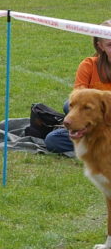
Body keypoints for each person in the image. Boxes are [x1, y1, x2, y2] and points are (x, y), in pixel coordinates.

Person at [45, 20, 111, 154]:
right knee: (53, 139)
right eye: (110, 45)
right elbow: (77, 100)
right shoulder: (88, 65)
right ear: (100, 46)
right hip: (93, 122)